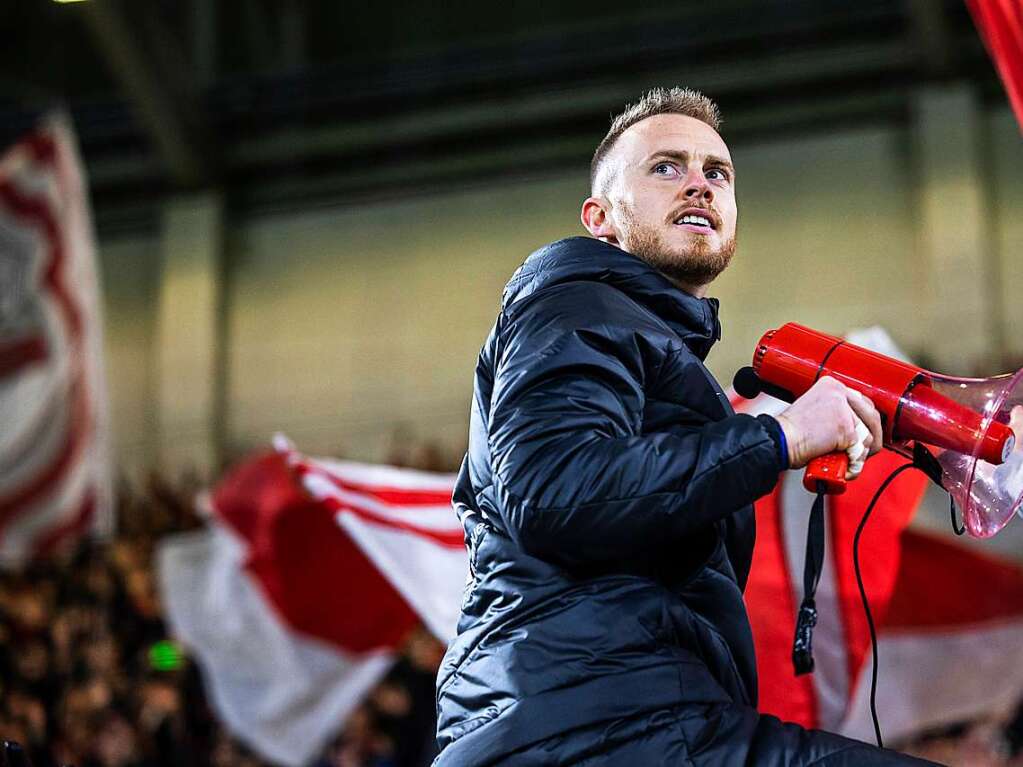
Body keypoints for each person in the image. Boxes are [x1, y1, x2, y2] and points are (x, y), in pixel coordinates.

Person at [433, 87, 938, 765]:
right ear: (600, 218)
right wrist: (778, 437)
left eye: (716, 173)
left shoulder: (639, 335)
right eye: (664, 167)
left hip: (614, 719)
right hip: (588, 725)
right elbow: (552, 491)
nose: (698, 183)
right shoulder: (573, 304)